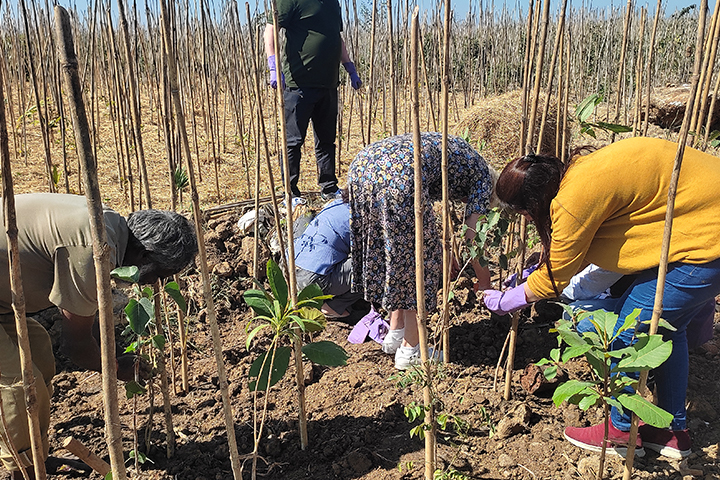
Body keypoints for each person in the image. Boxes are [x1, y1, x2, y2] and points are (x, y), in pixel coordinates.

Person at [483, 137, 720, 459]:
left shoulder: (571, 200)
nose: (526, 220)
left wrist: (508, 300)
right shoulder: (582, 170)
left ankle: (619, 431)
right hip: (704, 228)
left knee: (627, 334)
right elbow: (580, 252)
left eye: (524, 213)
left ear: (534, 202)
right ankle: (671, 432)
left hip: (705, 244)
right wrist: (535, 273)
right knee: (666, 331)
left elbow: (555, 279)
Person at [0, 193, 198, 479]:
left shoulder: (110, 225)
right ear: (144, 255)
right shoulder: (93, 250)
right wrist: (117, 368)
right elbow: (76, 345)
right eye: (160, 273)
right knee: (18, 382)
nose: (157, 283)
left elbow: (85, 316)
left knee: (39, 352)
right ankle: (25, 471)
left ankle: (35, 456)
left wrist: (114, 355)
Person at [348, 132, 499, 370]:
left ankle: (395, 331)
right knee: (419, 258)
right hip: (400, 173)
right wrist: (486, 283)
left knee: (394, 251)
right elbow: (473, 241)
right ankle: (411, 349)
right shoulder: (484, 179)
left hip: (362, 166)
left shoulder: (464, 155)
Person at [264, 0, 362, 201]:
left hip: (328, 84)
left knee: (326, 140)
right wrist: (273, 66)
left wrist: (350, 67)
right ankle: (290, 193)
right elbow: (270, 30)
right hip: (298, 85)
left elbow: (336, 38)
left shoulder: (332, 3)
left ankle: (329, 188)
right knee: (293, 141)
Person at [294, 190, 363, 318]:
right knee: (374, 264)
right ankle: (333, 307)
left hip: (289, 271)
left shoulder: (335, 204)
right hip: (313, 281)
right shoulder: (361, 217)